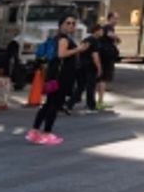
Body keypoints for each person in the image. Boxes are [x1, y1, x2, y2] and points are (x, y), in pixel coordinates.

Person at [27, 14, 94, 146]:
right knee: (53, 105)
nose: (71, 26)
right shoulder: (63, 39)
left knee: (48, 104)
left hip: (55, 74)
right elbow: (61, 54)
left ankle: (34, 131)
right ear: (61, 24)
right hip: (60, 76)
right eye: (68, 23)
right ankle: (46, 133)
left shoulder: (60, 38)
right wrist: (78, 49)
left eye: (73, 23)